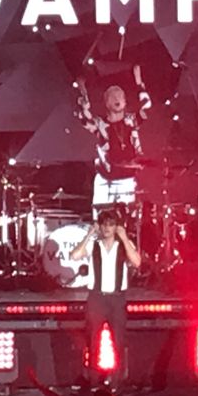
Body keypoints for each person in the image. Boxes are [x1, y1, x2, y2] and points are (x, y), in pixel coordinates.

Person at [70, 207, 141, 379]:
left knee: (118, 343)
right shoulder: (94, 246)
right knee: (93, 342)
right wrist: (89, 235)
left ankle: (117, 385)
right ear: (100, 227)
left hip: (117, 299)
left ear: (116, 226)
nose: (107, 228)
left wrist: (124, 237)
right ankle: (94, 383)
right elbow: (74, 256)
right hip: (97, 299)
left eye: (111, 225)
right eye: (104, 225)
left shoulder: (123, 246)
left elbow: (137, 262)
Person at [75, 63, 151, 212]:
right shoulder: (101, 123)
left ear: (125, 101)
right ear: (106, 102)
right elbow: (85, 119)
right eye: (113, 96)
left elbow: (146, 106)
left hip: (127, 178)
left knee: (127, 219)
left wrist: (138, 81)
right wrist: (83, 93)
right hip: (105, 178)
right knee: (103, 219)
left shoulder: (131, 120)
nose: (117, 98)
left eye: (120, 96)